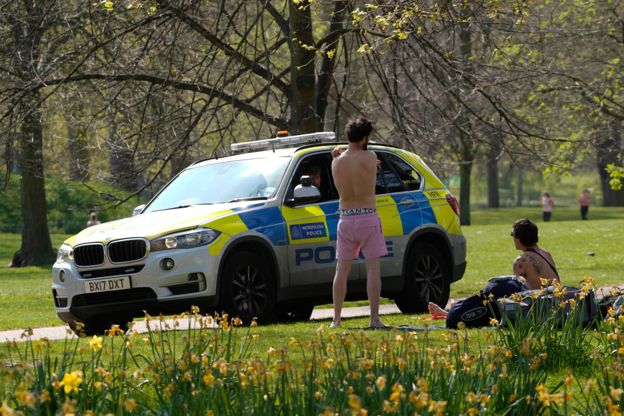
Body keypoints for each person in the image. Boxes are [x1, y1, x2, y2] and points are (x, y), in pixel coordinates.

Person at [428, 218, 560, 328]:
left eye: (512, 235)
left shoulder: (521, 261)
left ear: (519, 238)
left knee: (491, 298)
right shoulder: (546, 253)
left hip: (535, 309)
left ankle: (450, 313)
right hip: (555, 303)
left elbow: (516, 294)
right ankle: (454, 307)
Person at [330, 117, 387, 329]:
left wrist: (334, 154)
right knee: (373, 269)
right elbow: (373, 165)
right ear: (364, 138)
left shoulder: (336, 162)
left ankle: (336, 319)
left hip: (345, 218)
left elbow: (339, 156)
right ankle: (374, 318)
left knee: (341, 270)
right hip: (368, 217)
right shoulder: (370, 156)